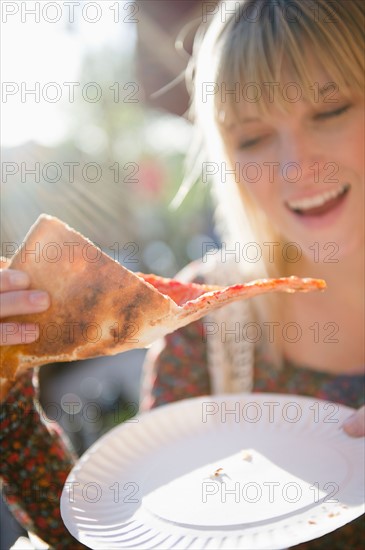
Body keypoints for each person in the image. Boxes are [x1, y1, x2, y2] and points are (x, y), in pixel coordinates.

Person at [0, 0, 364, 548]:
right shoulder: (208, 327)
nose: (294, 166)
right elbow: (124, 532)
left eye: (330, 109)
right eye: (251, 137)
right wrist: (5, 409)